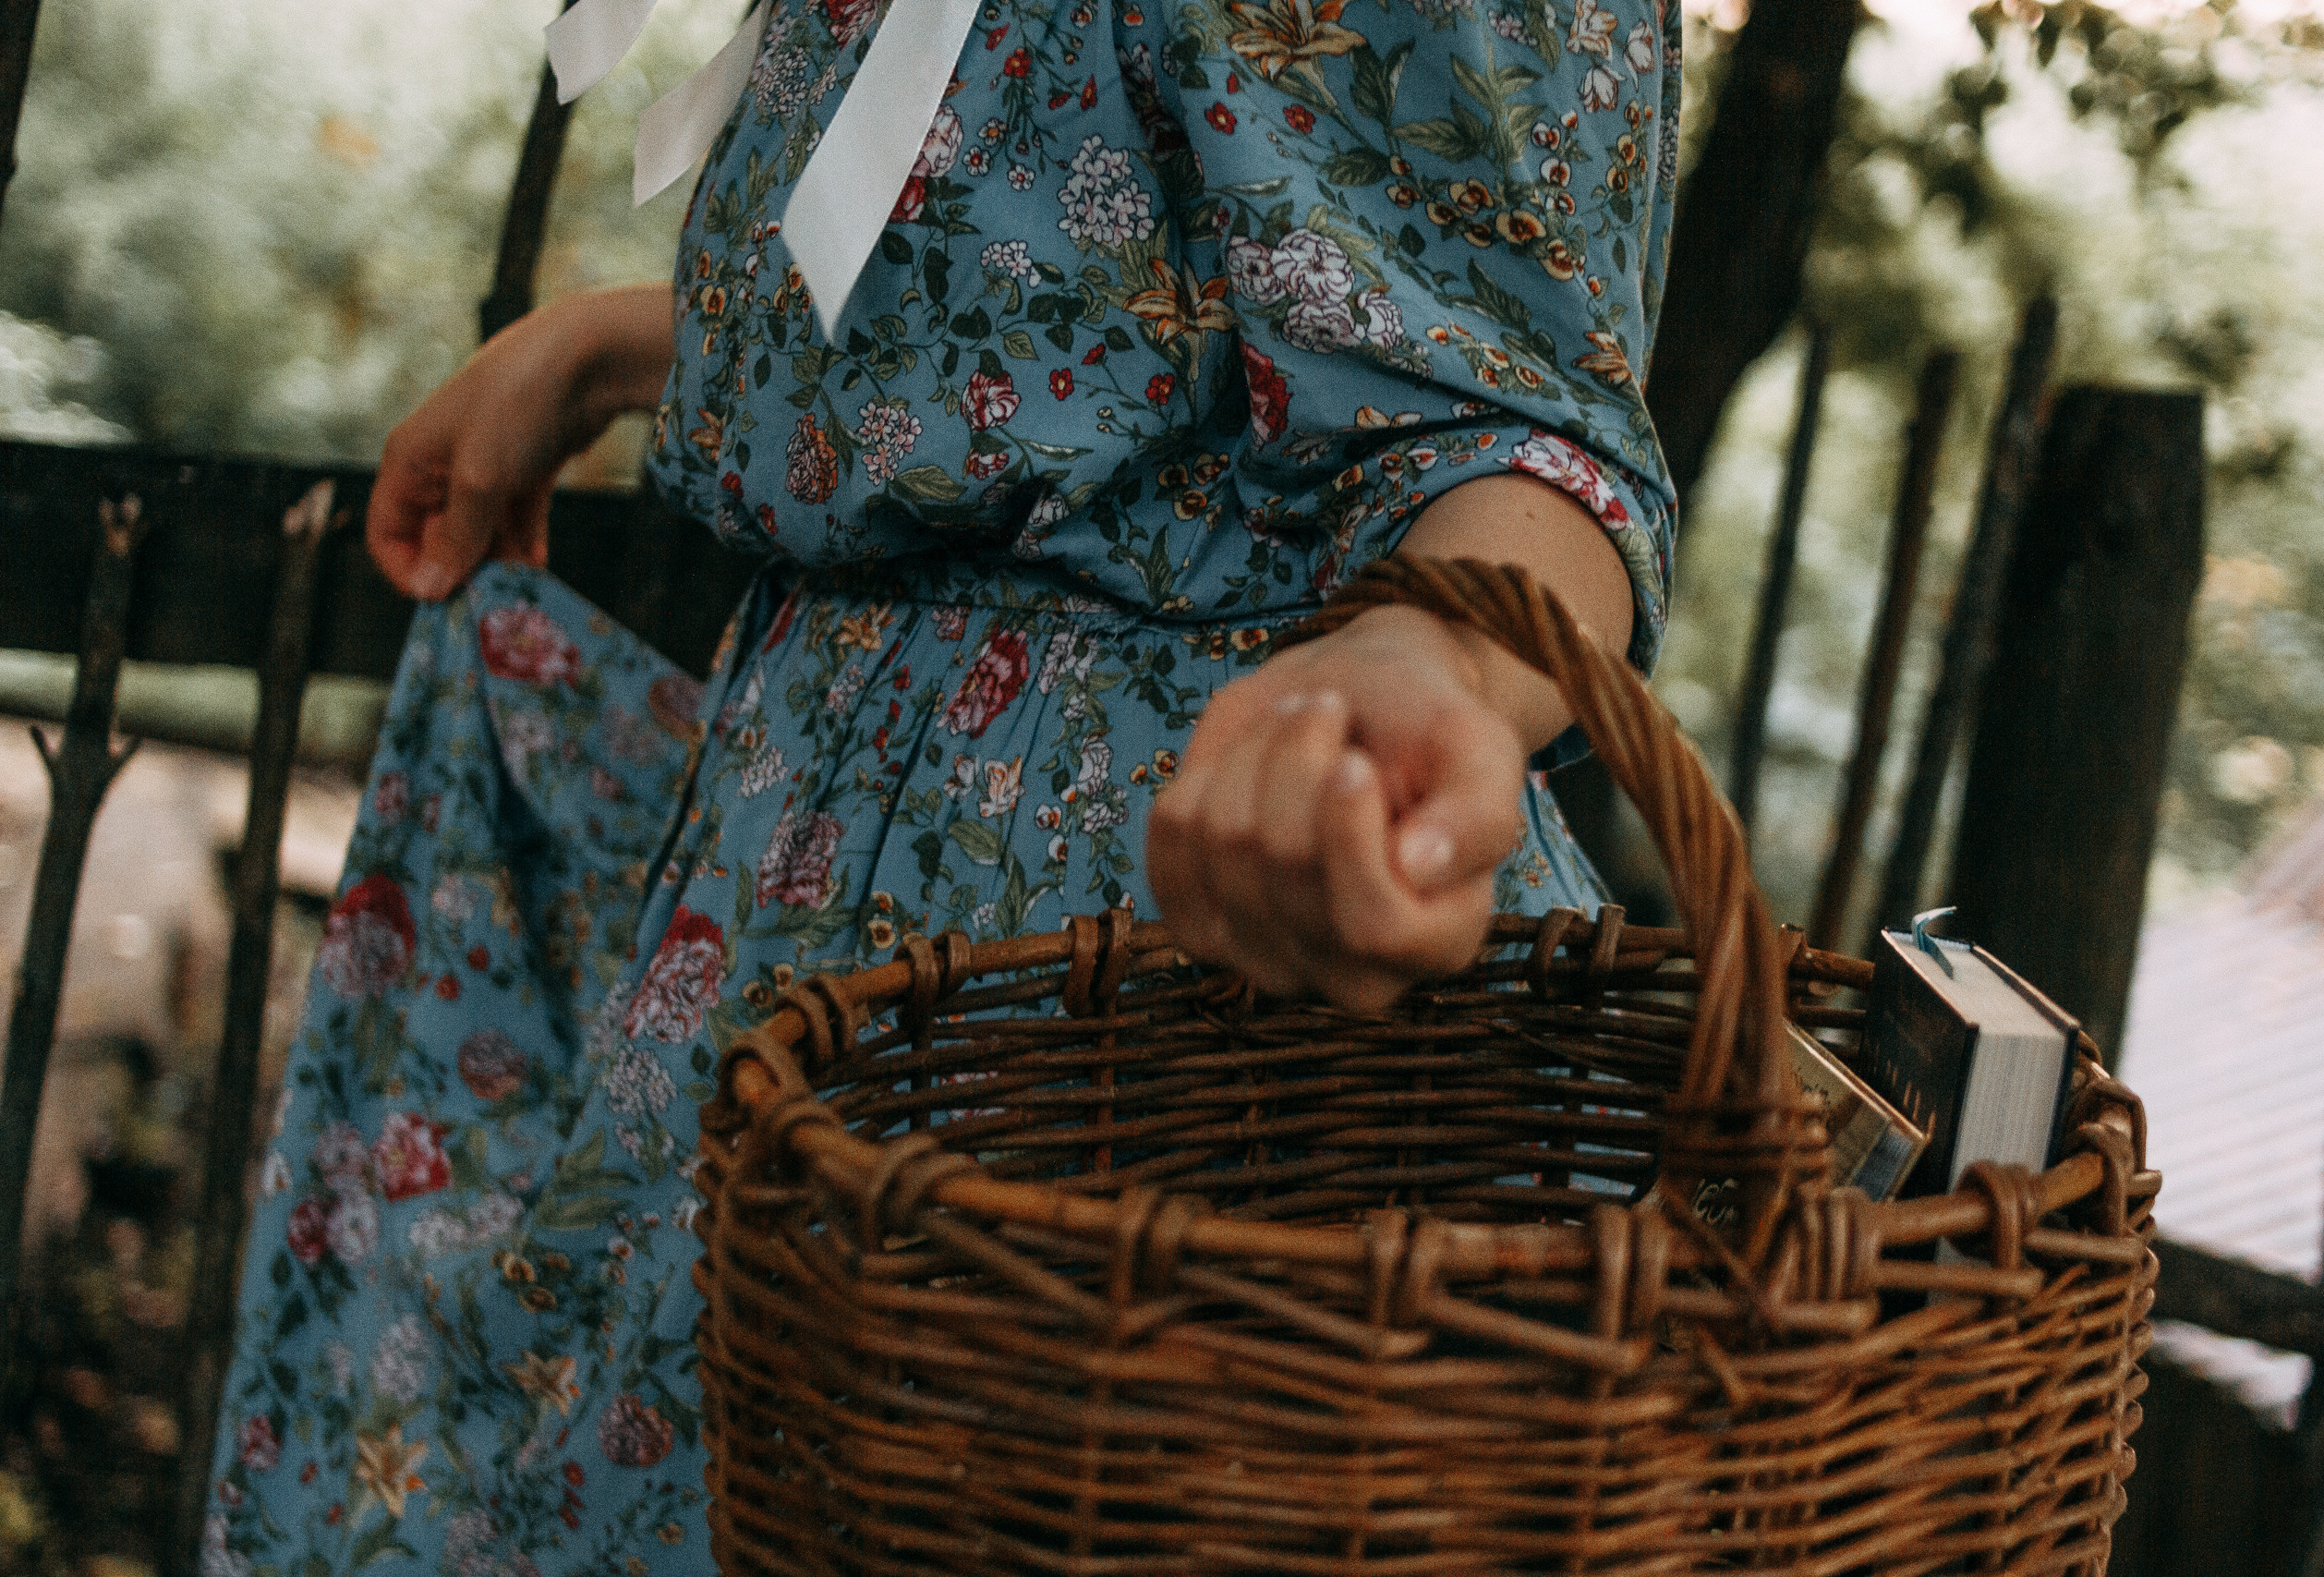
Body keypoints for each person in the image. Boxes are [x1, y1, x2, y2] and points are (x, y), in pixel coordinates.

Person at [201, 0, 1678, 1568]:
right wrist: (613, 347)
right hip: (799, 911)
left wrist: (1432, 663)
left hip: (1102, 1003)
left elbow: (1520, 427)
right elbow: (1059, 281)